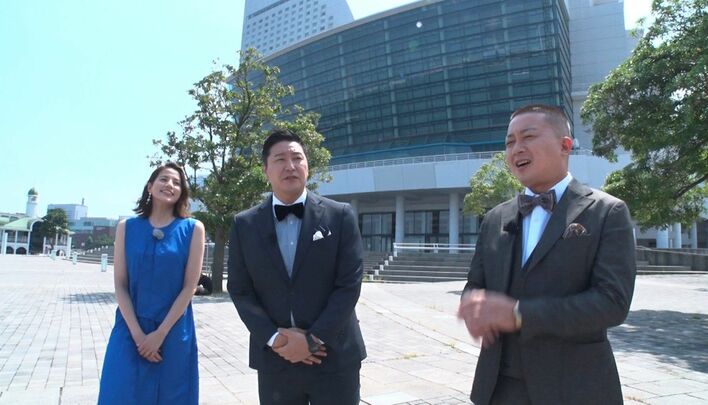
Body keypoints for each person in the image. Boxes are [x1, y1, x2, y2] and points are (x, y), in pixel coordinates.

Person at [457, 104, 636, 405]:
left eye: (528, 137)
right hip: (498, 386)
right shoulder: (494, 218)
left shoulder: (607, 212)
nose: (516, 148)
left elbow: (612, 303)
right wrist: (473, 305)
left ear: (565, 145)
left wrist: (518, 314)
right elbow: (475, 284)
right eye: (510, 142)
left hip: (575, 387)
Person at [227, 128, 366, 405]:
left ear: (307, 166)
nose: (290, 166)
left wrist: (313, 340)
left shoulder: (340, 215)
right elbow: (240, 290)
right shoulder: (244, 224)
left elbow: (349, 285)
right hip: (276, 359)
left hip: (334, 357)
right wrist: (275, 339)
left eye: (297, 158)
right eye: (280, 159)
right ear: (265, 169)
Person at [98, 162, 205, 405]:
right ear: (150, 186)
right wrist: (138, 336)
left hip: (173, 329)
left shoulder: (193, 229)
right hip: (130, 327)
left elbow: (189, 287)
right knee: (120, 392)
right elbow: (121, 285)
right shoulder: (126, 227)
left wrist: (160, 334)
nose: (170, 185)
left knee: (172, 395)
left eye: (177, 183)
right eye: (164, 179)